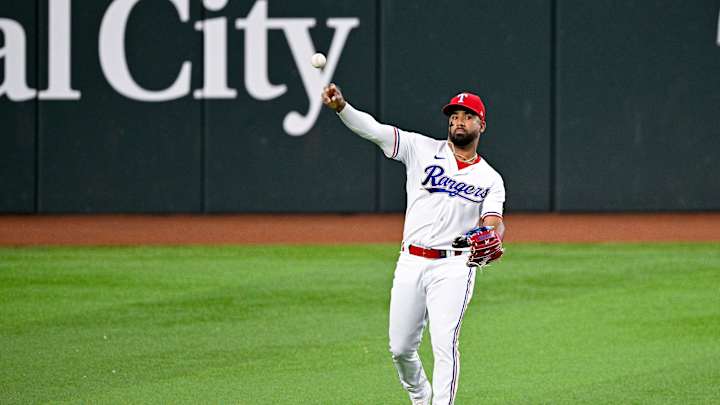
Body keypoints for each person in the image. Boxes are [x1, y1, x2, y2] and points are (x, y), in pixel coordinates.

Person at [321, 83, 505, 405]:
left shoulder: (490, 178)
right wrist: (342, 108)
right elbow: (374, 131)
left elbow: (493, 220)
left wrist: (491, 233)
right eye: (454, 116)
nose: (458, 121)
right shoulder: (419, 148)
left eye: (467, 116)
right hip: (411, 260)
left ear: (482, 125)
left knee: (445, 344)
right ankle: (420, 395)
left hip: (454, 265)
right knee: (401, 348)